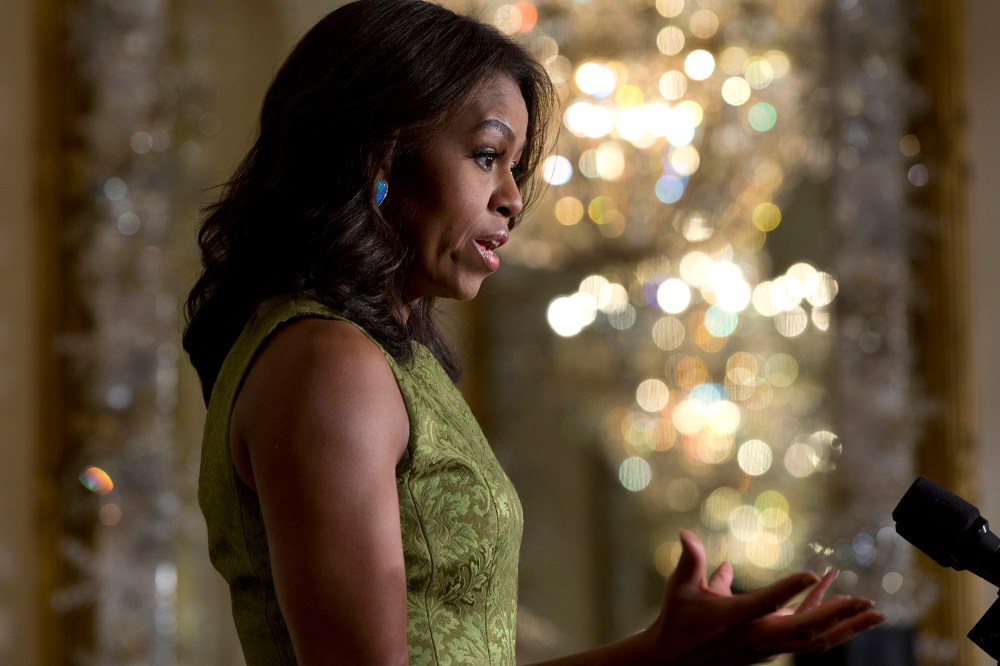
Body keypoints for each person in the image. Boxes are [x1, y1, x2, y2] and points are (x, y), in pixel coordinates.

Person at [183, 1, 885, 663]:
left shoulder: (383, 361)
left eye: (515, 168)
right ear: (379, 158)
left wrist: (661, 653)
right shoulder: (326, 362)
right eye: (488, 156)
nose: (513, 199)